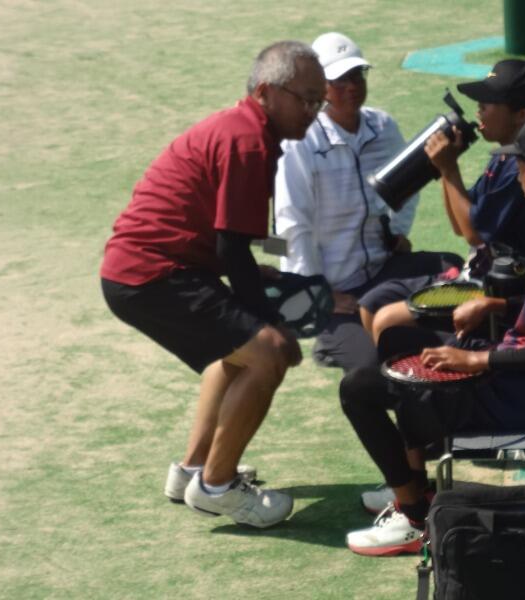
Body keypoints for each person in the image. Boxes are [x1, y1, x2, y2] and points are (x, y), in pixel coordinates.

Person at [339, 112, 525, 556]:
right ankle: (413, 489)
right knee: (399, 349)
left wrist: (474, 360)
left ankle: (413, 516)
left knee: (361, 389)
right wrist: (497, 306)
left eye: (521, 169)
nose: (518, 178)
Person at [100, 41, 326, 528]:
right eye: (306, 99)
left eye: (319, 101)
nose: (312, 111)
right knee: (268, 353)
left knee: (239, 350)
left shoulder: (245, 131)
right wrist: (269, 324)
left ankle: (192, 470)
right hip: (153, 274)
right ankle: (217, 488)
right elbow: (232, 247)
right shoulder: (248, 142)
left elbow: (227, 242)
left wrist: (251, 293)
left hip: (144, 271)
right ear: (265, 92)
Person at [274, 32, 462, 372]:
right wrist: (318, 293)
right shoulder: (301, 142)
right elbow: (292, 223)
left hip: (384, 271)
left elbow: (410, 183)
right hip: (336, 289)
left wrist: (398, 231)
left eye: (357, 75)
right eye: (340, 80)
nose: (352, 86)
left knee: (452, 267)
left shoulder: (383, 126)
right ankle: (332, 337)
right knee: (376, 367)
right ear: (320, 87)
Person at [359, 59, 525, 343]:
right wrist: (442, 169)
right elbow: (459, 225)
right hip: (478, 273)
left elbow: (474, 234)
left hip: (499, 290)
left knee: (388, 320)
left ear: (521, 115)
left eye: (488, 103)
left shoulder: (520, 168)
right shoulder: (503, 158)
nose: (479, 109)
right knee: (371, 305)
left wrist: (449, 168)